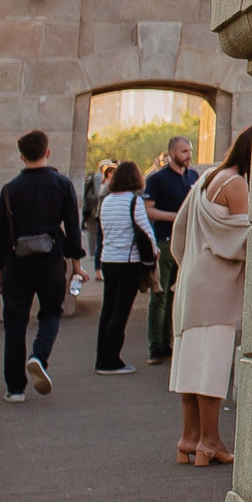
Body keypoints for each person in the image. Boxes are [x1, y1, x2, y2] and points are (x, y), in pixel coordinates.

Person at [168, 126, 249, 466]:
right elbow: (247, 236)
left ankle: (188, 439)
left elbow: (180, 230)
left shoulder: (207, 177)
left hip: (192, 277)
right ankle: (210, 443)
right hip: (216, 284)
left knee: (190, 363)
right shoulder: (237, 184)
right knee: (213, 365)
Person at [0, 129, 83, 401]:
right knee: (52, 312)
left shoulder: (9, 190)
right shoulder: (62, 185)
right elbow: (73, 227)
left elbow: (0, 234)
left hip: (16, 263)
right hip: (51, 260)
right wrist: (76, 263)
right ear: (48, 152)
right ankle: (39, 356)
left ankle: (15, 388)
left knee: (15, 322)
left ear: (21, 156)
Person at [93, 161, 158, 375]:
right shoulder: (134, 201)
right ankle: (112, 360)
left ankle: (101, 357)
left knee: (108, 310)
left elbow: (103, 229)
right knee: (121, 312)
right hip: (128, 262)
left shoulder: (107, 201)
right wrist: (154, 252)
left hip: (108, 259)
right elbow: (145, 231)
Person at [142, 134, 198, 367]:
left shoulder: (193, 177)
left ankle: (172, 343)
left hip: (188, 242)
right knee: (161, 294)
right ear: (172, 153)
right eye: (184, 151)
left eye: (190, 150)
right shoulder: (157, 179)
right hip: (165, 241)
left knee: (179, 294)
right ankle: (156, 346)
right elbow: (149, 211)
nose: (188, 155)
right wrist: (176, 217)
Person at [81, 160, 110, 284]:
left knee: (98, 240)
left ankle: (98, 267)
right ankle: (98, 269)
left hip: (98, 215)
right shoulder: (102, 182)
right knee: (99, 241)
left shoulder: (101, 181)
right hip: (99, 215)